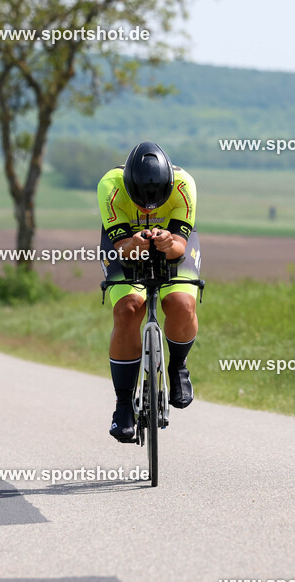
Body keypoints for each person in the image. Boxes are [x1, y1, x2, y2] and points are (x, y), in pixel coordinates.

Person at [98, 142, 202, 443]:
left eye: (156, 201)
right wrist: (134, 246)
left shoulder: (184, 185)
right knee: (127, 308)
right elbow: (121, 249)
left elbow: (181, 246)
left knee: (181, 303)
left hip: (173, 244)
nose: (148, 209)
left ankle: (178, 366)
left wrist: (170, 244)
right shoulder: (110, 186)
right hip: (126, 244)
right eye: (141, 202)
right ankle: (122, 404)